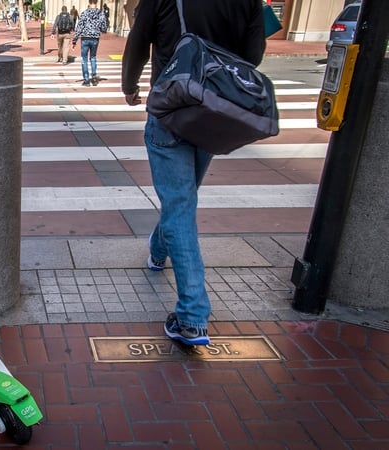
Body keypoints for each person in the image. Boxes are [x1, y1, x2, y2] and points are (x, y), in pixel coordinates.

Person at [121, 0, 266, 346]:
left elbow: (139, 42)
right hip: (217, 109)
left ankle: (192, 316)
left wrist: (130, 85)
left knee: (179, 203)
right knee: (182, 199)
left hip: (170, 105)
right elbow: (253, 54)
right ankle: (158, 252)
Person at [71, 0, 107, 87]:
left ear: (89, 2)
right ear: (97, 2)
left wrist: (74, 40)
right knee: (93, 57)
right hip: (95, 38)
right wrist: (98, 29)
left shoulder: (84, 13)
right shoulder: (101, 14)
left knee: (84, 59)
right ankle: (94, 76)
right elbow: (104, 28)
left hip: (85, 38)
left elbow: (79, 27)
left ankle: (86, 80)